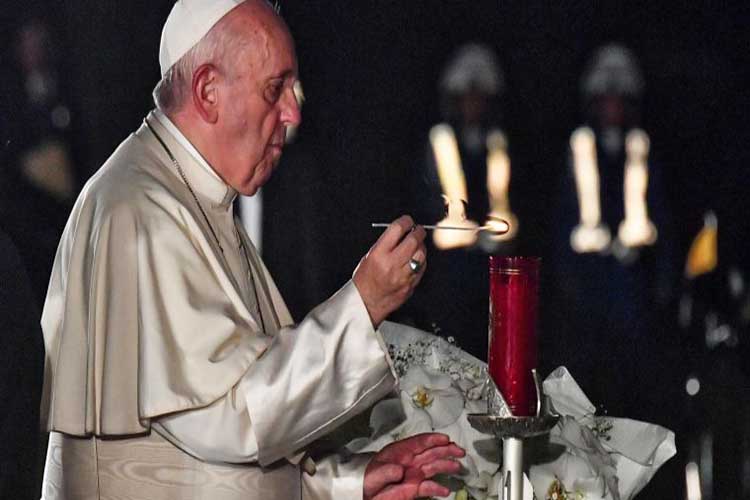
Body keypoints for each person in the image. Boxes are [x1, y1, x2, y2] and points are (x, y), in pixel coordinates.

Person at [40, 1, 464, 499]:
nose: (293, 112)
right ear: (207, 92)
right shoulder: (139, 211)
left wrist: (350, 481)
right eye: (274, 89)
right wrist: (363, 303)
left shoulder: (197, 199)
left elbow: (213, 467)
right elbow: (231, 417)